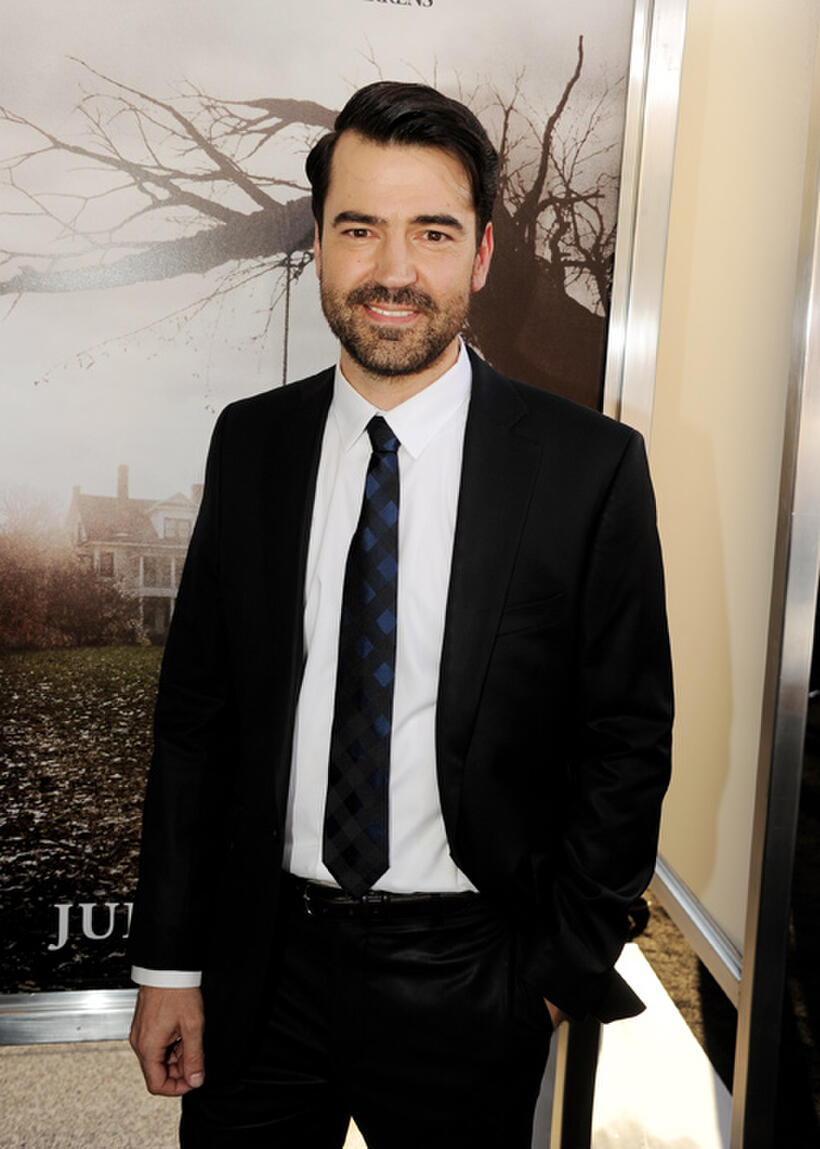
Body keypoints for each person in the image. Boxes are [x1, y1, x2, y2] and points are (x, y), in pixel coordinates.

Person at [128, 80, 673, 1148]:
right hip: (262, 962)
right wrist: (170, 963)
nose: (391, 271)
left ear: (478, 256)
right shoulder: (252, 446)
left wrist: (557, 974)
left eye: (431, 232)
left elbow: (624, 738)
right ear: (320, 248)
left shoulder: (586, 469)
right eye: (358, 229)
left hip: (473, 970)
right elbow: (199, 720)